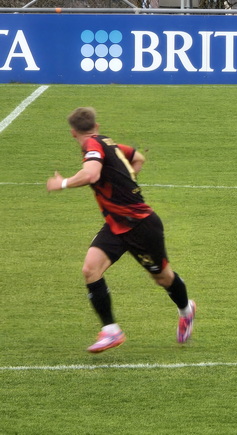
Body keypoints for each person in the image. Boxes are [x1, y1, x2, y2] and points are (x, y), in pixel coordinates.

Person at [45, 107, 195, 353]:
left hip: (141, 225)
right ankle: (111, 331)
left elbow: (91, 174)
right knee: (90, 269)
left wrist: (61, 183)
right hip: (116, 224)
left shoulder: (93, 145)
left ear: (73, 133)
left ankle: (186, 309)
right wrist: (126, 181)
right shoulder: (108, 142)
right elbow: (138, 157)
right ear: (97, 124)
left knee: (162, 278)